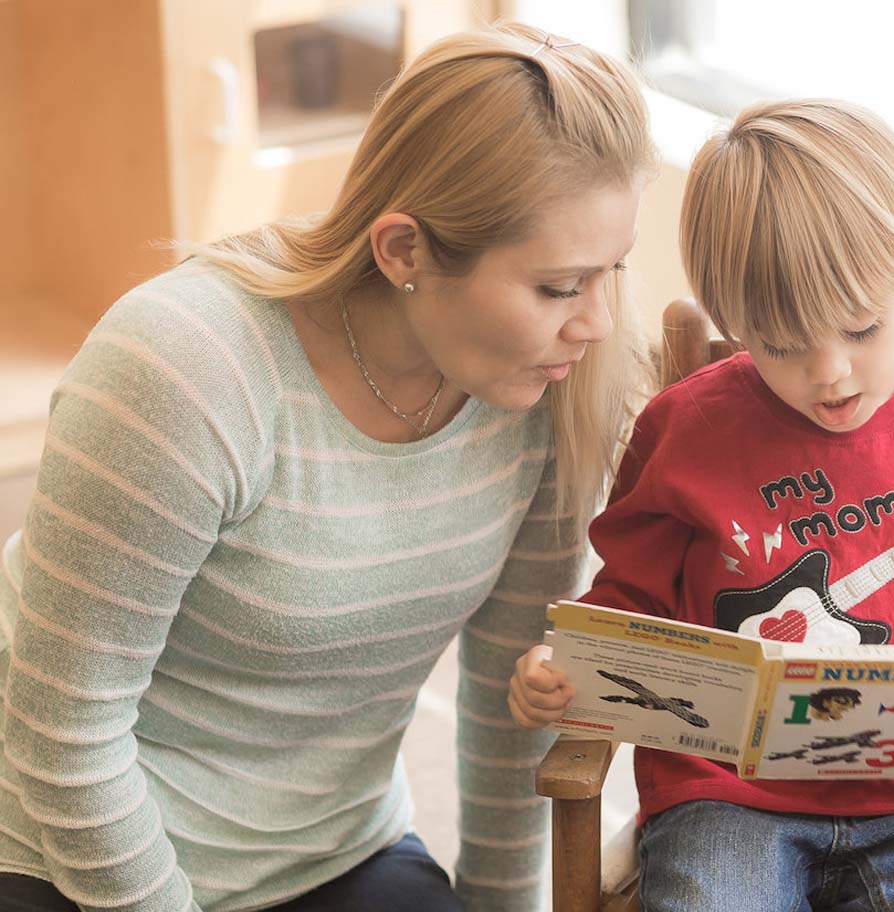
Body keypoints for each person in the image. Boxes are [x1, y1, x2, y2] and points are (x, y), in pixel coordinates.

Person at [0, 21, 654, 912]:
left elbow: (514, 697)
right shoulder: (183, 371)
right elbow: (63, 732)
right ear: (403, 251)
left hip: (334, 850)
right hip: (63, 845)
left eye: (609, 272)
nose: (597, 323)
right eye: (558, 287)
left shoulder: (539, 388)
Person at [508, 99, 894, 911]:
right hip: (720, 795)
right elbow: (629, 601)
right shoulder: (685, 429)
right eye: (780, 344)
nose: (831, 373)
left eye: (862, 328)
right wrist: (566, 670)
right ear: (736, 322)